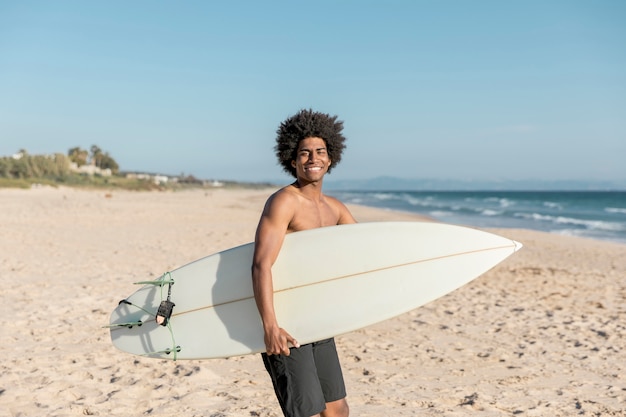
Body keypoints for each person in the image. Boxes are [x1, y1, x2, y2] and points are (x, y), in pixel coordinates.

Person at [252, 109, 355, 417]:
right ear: (292, 159)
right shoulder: (284, 202)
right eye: (305, 153)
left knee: (337, 409)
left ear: (331, 158)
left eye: (320, 152)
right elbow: (260, 265)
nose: (313, 158)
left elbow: (366, 250)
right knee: (306, 411)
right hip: (287, 321)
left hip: (318, 318)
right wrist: (270, 326)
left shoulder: (335, 209)